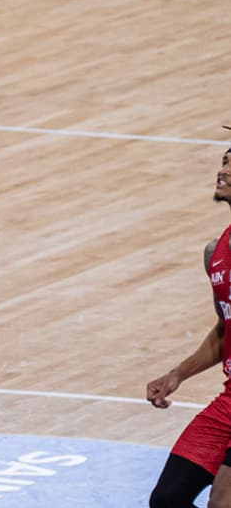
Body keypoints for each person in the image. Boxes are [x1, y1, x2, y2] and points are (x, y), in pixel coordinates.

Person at [146, 146, 231, 508]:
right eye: (225, 160)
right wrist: (177, 374)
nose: (223, 168)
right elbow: (225, 328)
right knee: (167, 500)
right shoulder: (216, 251)